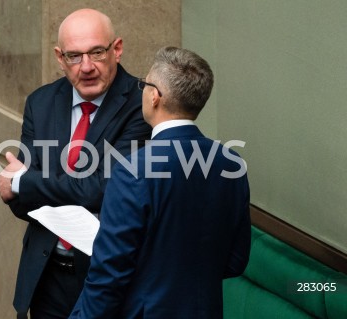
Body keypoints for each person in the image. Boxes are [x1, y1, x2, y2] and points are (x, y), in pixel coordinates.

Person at [69, 47, 251, 319]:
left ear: (155, 96)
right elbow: (236, 261)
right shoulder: (231, 163)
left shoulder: (133, 169)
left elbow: (108, 276)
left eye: (144, 84)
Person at [0, 8, 152, 319]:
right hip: (46, 277)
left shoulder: (142, 104)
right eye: (74, 56)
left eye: (96, 52)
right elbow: (19, 202)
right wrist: (23, 185)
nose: (87, 67)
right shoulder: (40, 103)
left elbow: (101, 189)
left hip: (106, 279)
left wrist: (24, 181)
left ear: (117, 49)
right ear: (59, 57)